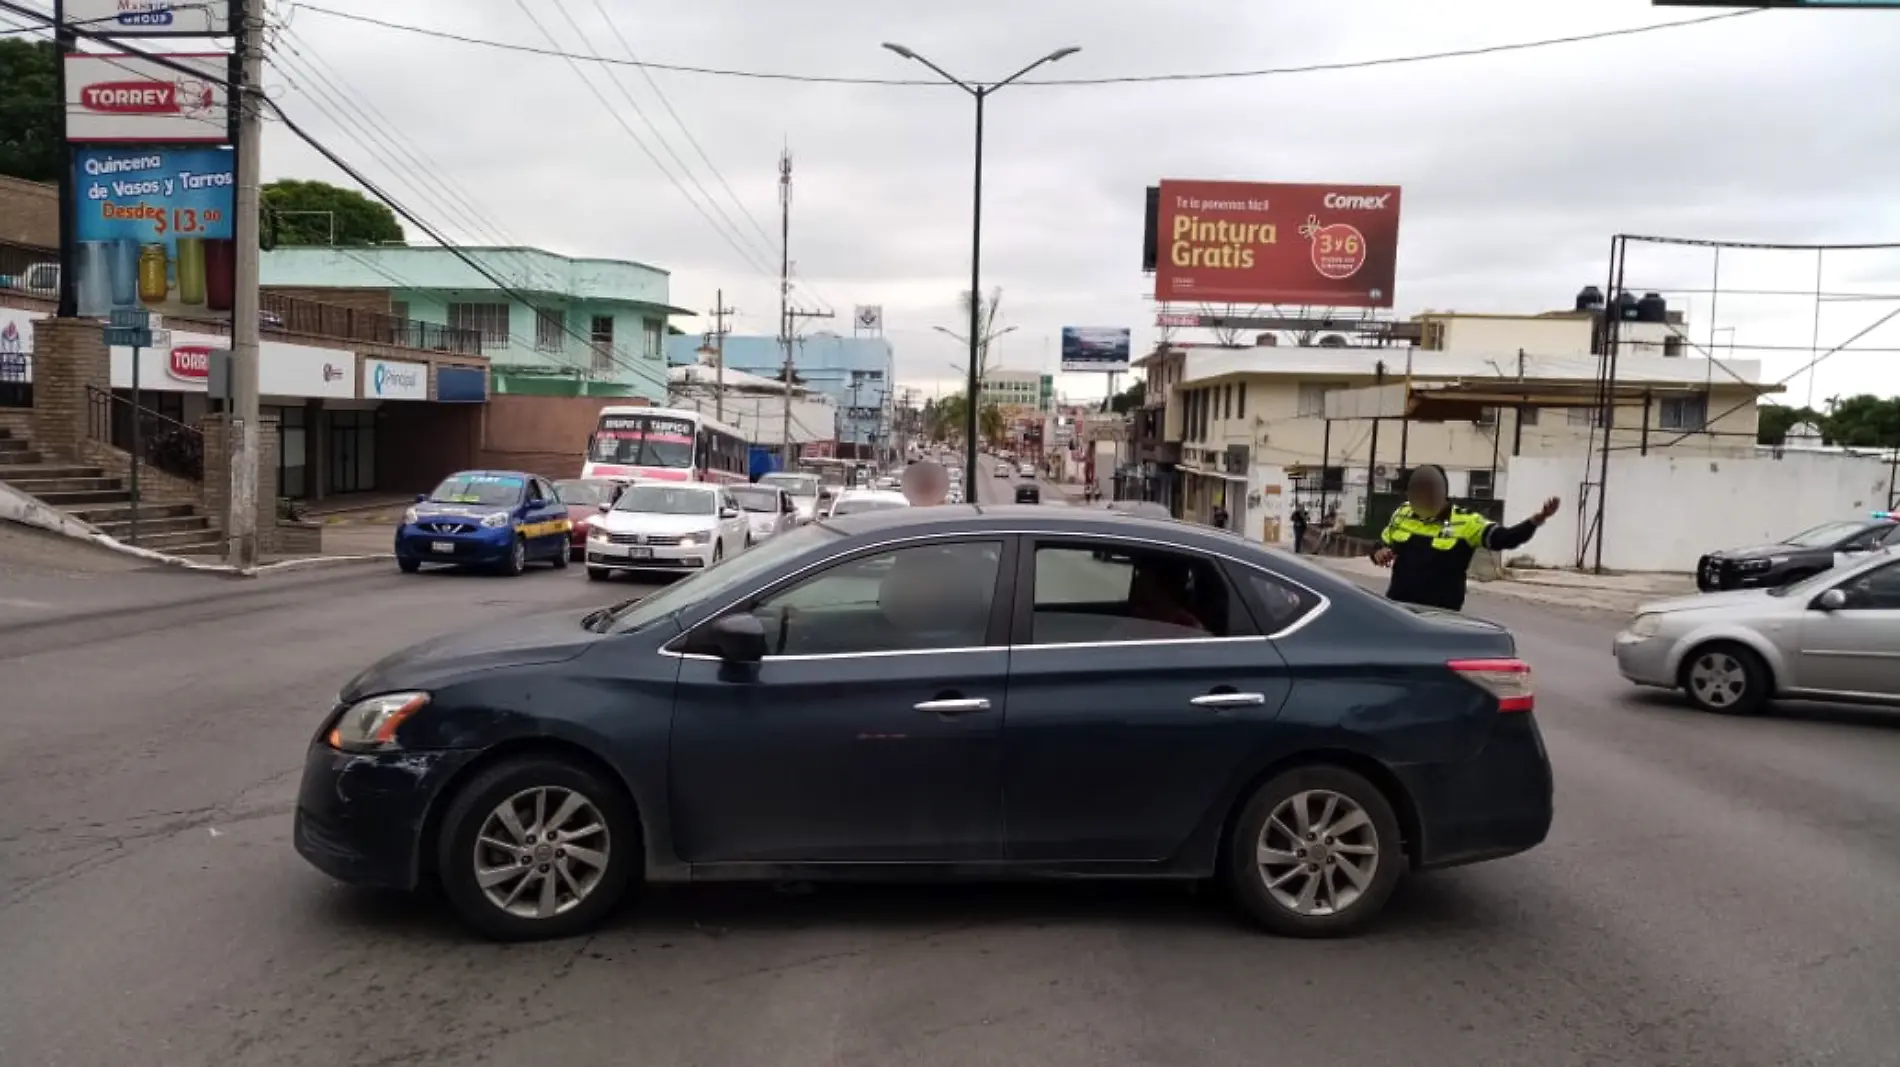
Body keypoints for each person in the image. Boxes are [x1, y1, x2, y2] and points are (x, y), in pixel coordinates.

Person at [1371, 464, 1561, 612]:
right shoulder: (1402, 513)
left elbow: (1505, 539)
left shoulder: (1466, 521)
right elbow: (1381, 543)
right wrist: (1378, 552)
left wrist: (1536, 520)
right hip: (1398, 610)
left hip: (1442, 615)